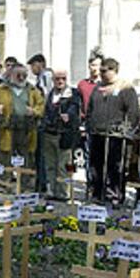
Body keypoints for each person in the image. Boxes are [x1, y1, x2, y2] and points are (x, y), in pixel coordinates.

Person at [87, 58, 140, 204]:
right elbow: (90, 109)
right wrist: (90, 124)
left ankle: (115, 195)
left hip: (117, 136)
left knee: (115, 167)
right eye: (100, 71)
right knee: (96, 166)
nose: (101, 74)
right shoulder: (97, 88)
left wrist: (125, 130)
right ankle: (97, 193)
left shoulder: (126, 88)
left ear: (113, 70)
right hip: (98, 134)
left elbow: (133, 112)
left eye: (104, 71)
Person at [0, 63, 44, 167]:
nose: (21, 78)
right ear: (11, 75)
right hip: (7, 128)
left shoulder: (33, 90)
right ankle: (5, 181)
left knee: (26, 158)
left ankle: (24, 181)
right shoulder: (0, 89)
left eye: (24, 75)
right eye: (18, 75)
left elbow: (41, 106)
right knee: (5, 157)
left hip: (26, 130)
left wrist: (34, 111)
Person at [42, 70, 81, 200]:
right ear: (53, 80)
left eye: (63, 78)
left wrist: (69, 115)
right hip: (49, 133)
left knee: (63, 166)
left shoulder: (73, 93)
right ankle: (51, 190)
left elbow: (75, 109)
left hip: (65, 135)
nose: (60, 81)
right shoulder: (50, 94)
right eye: (57, 79)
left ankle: (64, 193)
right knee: (50, 164)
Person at [77, 49, 103, 190]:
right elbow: (79, 104)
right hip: (87, 124)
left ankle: (100, 186)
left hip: (102, 124)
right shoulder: (82, 85)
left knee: (100, 157)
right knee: (88, 156)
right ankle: (90, 185)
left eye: (98, 65)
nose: (95, 69)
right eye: (93, 65)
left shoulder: (105, 85)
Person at [27, 54, 53, 193]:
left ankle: (42, 183)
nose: (32, 69)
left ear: (40, 64)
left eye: (33, 65)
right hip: (41, 119)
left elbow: (45, 97)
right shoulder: (41, 77)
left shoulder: (45, 77)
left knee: (42, 153)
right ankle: (40, 181)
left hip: (43, 120)